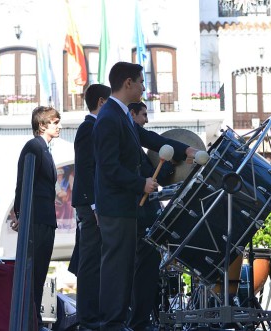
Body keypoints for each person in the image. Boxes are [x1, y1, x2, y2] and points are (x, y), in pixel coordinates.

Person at [93, 62, 197, 331]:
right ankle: (111, 324)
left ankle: (123, 322)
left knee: (128, 265)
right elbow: (108, 167)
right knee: (116, 267)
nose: (143, 87)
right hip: (115, 208)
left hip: (126, 207)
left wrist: (186, 150)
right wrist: (141, 183)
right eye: (141, 82)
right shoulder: (108, 118)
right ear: (128, 83)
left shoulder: (122, 115)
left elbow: (149, 138)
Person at [127, 102, 187, 331]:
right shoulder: (130, 142)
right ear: (132, 114)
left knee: (147, 271)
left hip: (143, 215)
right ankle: (139, 322)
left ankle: (142, 320)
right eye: (143, 115)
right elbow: (148, 175)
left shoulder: (134, 143)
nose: (146, 120)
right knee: (144, 271)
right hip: (141, 216)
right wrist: (171, 165)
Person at [12, 106, 62, 331]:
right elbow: (23, 182)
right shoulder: (34, 147)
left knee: (40, 271)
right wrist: (21, 214)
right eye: (54, 122)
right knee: (33, 273)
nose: (58, 125)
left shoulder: (45, 149)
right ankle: (31, 321)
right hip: (37, 219)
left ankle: (34, 320)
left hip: (45, 218)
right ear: (42, 125)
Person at [70, 83, 111, 331]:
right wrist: (95, 206)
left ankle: (92, 315)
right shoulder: (88, 128)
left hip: (93, 203)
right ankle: (88, 317)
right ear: (101, 102)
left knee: (95, 259)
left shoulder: (95, 128)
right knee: (90, 260)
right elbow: (86, 169)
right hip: (89, 204)